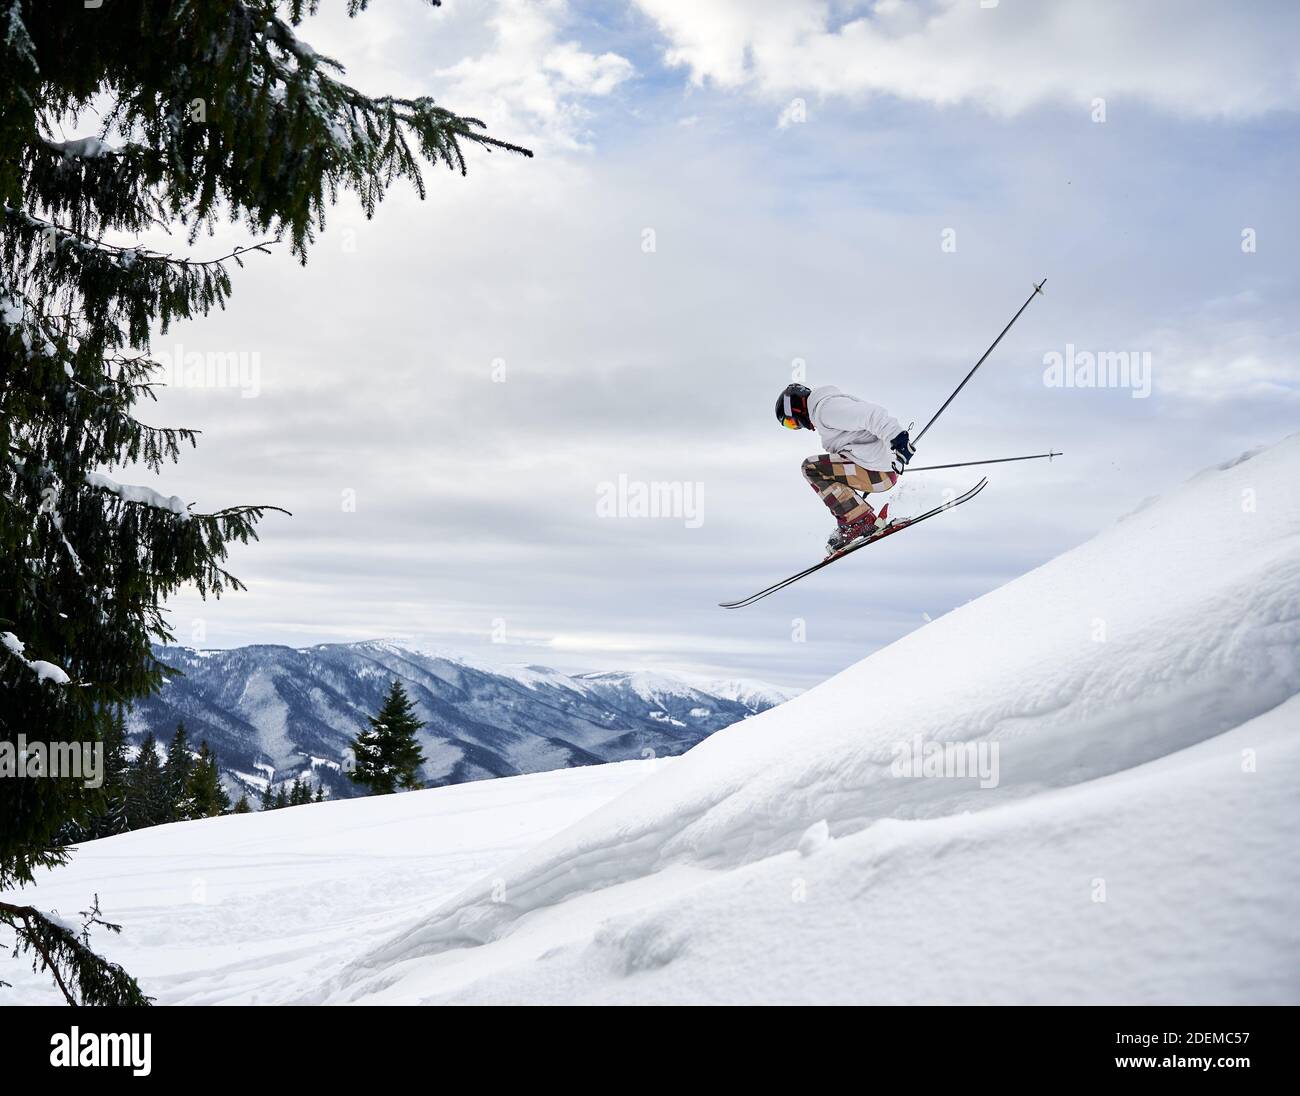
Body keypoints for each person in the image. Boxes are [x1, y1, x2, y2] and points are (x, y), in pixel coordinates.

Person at [775, 382, 916, 556]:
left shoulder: (825, 410)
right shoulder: (825, 410)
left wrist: (898, 440)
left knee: (810, 468)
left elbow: (871, 415)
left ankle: (858, 522)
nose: (797, 427)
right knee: (820, 468)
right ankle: (856, 519)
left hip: (877, 472)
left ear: (797, 408)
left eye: (791, 422)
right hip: (879, 470)